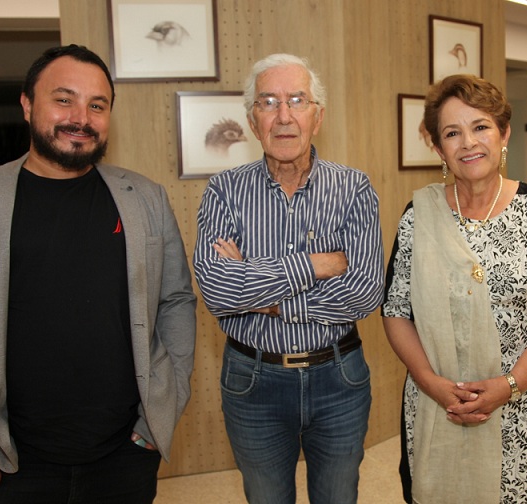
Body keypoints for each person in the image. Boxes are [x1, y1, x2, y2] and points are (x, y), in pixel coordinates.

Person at [0, 44, 197, 503]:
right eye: (64, 99)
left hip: (125, 455)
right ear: (27, 105)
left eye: (97, 105)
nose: (80, 118)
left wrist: (162, 410)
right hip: (7, 460)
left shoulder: (145, 198)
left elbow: (176, 301)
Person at [382, 74, 527, 503]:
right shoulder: (419, 216)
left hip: (517, 405)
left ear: (504, 133)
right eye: (452, 133)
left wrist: (511, 384)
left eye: (480, 127)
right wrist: (430, 382)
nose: (468, 143)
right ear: (438, 148)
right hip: (435, 404)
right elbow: (396, 309)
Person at [193, 53, 384, 504]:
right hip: (252, 379)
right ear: (252, 120)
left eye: (298, 100)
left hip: (339, 377)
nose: (283, 115)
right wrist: (317, 265)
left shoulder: (354, 189)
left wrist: (261, 293)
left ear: (318, 117)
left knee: (338, 496)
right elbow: (218, 290)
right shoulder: (224, 191)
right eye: (268, 102)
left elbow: (364, 293)